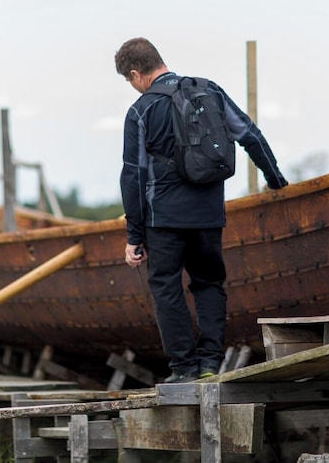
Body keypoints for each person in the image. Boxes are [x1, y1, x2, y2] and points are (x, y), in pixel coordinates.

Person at [114, 37, 288, 383]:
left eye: (129, 81)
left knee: (167, 287)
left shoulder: (141, 110)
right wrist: (276, 180)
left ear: (135, 74)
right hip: (208, 213)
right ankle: (209, 363)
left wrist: (134, 236)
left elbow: (133, 175)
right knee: (208, 283)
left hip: (163, 218)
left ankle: (184, 369)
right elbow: (250, 135)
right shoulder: (210, 91)